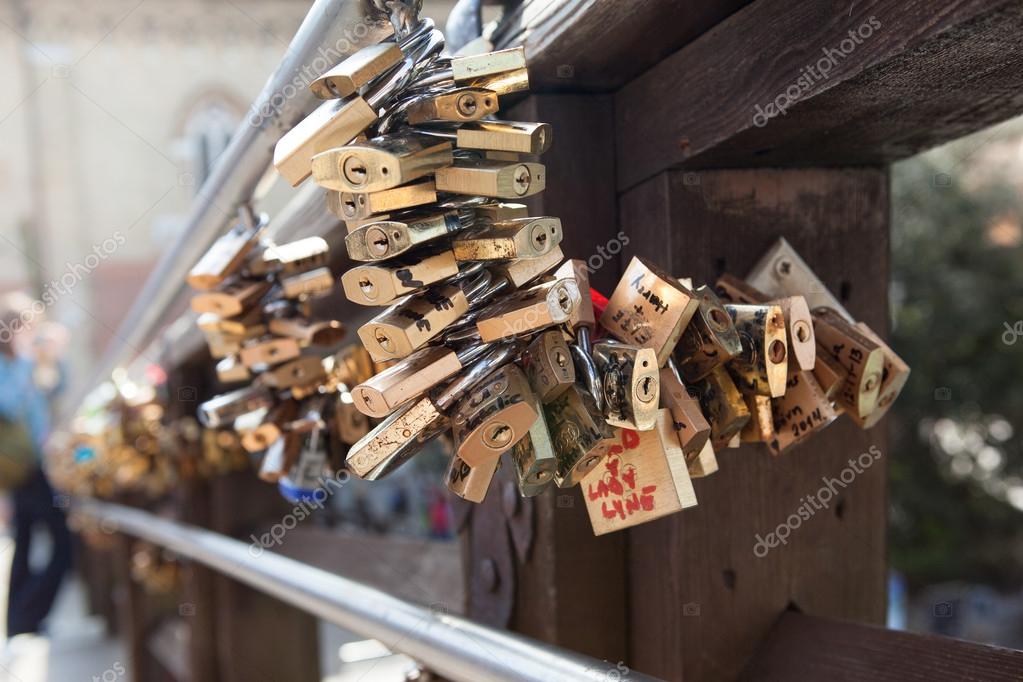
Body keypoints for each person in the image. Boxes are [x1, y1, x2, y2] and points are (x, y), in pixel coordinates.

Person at [0, 293, 71, 637]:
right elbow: (10, 404)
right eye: (28, 326)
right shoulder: (9, 364)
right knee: (65, 541)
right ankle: (26, 615)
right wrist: (30, 362)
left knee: (26, 540)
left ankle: (19, 620)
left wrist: (54, 356)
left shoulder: (27, 361)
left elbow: (56, 388)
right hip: (22, 468)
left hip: (32, 463)